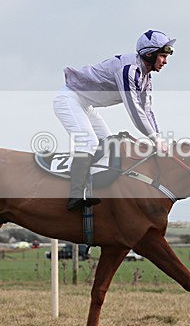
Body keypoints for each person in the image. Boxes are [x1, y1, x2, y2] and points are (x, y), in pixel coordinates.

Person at [53, 29, 174, 211]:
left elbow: (147, 110)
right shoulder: (129, 70)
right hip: (70, 99)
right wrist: (155, 140)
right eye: (163, 56)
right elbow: (135, 110)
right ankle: (75, 196)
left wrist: (158, 137)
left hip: (86, 105)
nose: (165, 61)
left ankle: (95, 189)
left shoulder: (145, 77)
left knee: (109, 144)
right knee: (88, 144)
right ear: (149, 54)